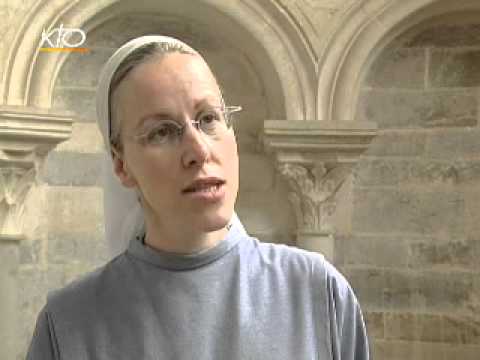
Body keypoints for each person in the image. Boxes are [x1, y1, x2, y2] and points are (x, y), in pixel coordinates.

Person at [27, 35, 370, 359]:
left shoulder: (318, 293)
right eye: (162, 131)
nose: (198, 150)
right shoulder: (69, 323)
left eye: (208, 118)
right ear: (121, 164)